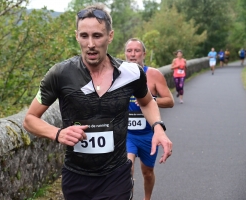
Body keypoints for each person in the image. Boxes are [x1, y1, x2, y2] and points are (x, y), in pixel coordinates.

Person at [23, 4, 172, 200]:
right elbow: (30, 119)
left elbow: (146, 102)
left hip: (116, 175)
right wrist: (57, 133)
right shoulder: (60, 74)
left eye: (97, 36)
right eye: (84, 36)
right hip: (76, 176)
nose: (90, 44)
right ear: (77, 36)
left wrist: (158, 127)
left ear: (110, 36)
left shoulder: (131, 73)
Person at [125, 38, 174, 200]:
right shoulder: (117, 74)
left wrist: (150, 100)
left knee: (147, 173)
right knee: (127, 169)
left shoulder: (153, 74)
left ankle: (147, 198)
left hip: (148, 134)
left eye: (136, 51)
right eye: (129, 51)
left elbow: (169, 100)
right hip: (127, 134)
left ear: (143, 54)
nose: (133, 54)